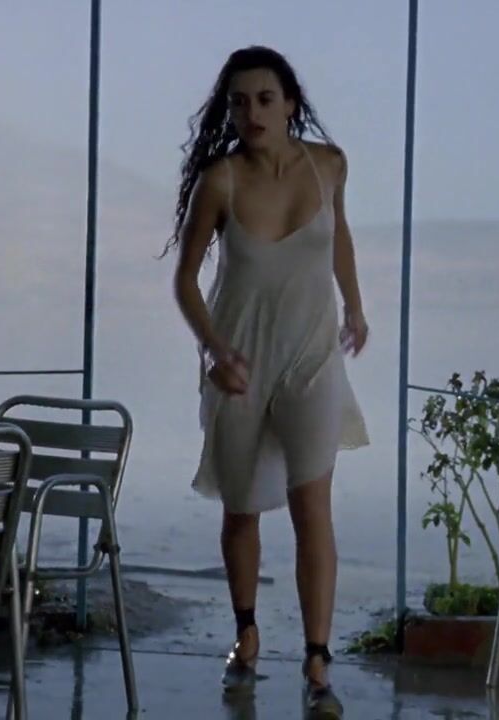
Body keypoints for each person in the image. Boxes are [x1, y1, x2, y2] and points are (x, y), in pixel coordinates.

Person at [165, 45, 370, 719]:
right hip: (240, 364)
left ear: (289, 103)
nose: (251, 112)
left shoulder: (329, 165)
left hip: (312, 358)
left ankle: (317, 660)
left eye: (263, 98)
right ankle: (247, 631)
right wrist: (215, 349)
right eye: (238, 102)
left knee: (314, 508)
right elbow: (185, 281)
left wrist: (356, 306)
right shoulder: (220, 181)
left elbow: (338, 237)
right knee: (241, 509)